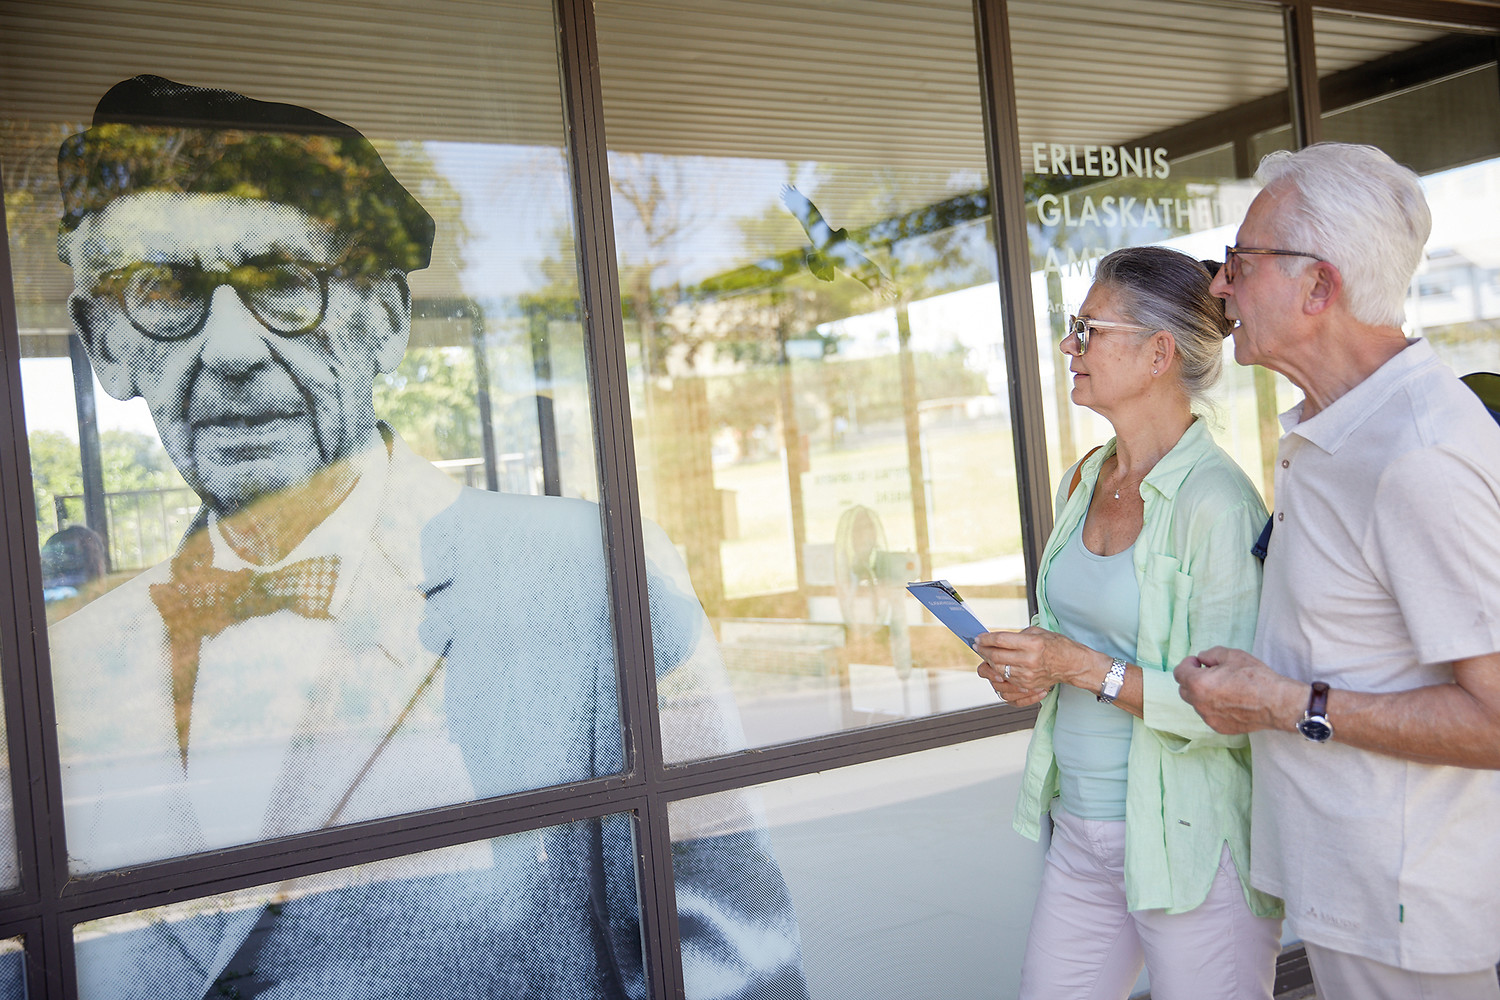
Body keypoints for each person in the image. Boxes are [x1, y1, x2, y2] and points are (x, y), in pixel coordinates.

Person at [49, 75, 805, 1000]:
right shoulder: (66, 659)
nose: (235, 351)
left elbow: (732, 968)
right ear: (106, 345)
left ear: (388, 320)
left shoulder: (592, 575)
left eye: (286, 282)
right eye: (164, 291)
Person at [1174, 142, 1500, 1000]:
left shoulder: (1416, 453)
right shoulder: (1338, 428)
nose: (1219, 285)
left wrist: (1283, 705)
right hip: (1350, 889)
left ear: (1319, 288)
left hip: (1406, 911)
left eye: (1240, 262)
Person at [978, 246, 1282, 1000]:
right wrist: (1027, 668)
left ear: (1157, 353)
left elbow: (1236, 708)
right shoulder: (1086, 476)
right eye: (1070, 327)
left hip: (1190, 841)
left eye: (1087, 329)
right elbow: (1065, 630)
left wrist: (1075, 666)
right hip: (1081, 831)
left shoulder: (1219, 504)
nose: (1066, 346)